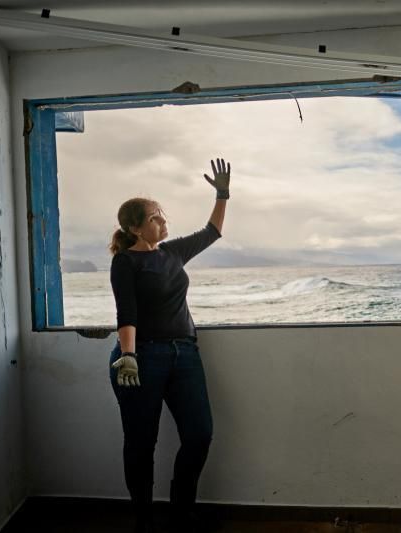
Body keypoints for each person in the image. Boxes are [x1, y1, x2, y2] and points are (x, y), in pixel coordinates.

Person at [107, 158, 231, 533]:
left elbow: (212, 232)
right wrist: (128, 356)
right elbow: (125, 313)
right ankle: (143, 517)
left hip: (185, 355)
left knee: (199, 433)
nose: (163, 222)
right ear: (134, 227)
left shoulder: (172, 253)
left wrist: (222, 194)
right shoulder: (125, 263)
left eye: (163, 215)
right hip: (142, 357)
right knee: (142, 443)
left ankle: (181, 509)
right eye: (155, 217)